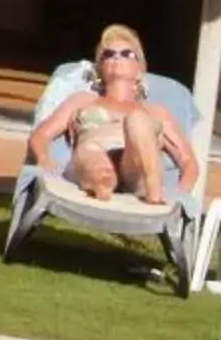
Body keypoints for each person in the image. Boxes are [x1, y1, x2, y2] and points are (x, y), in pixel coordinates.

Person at [28, 26, 194, 207]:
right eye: (108, 54)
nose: (117, 57)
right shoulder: (83, 101)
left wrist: (180, 193)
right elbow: (41, 134)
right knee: (91, 153)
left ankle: (152, 189)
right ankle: (102, 184)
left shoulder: (156, 112)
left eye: (126, 54)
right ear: (100, 69)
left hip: (136, 162)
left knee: (137, 120)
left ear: (139, 69)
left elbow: (188, 160)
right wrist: (44, 159)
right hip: (93, 152)